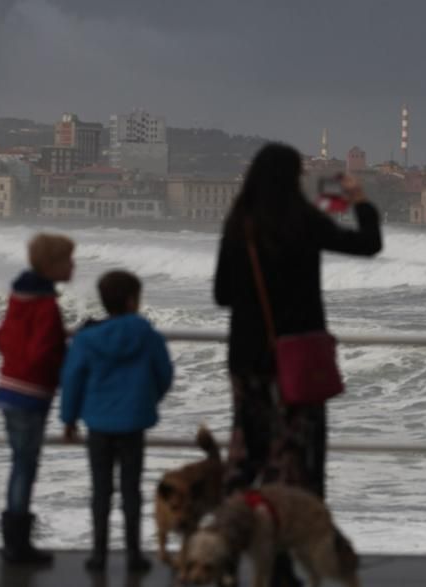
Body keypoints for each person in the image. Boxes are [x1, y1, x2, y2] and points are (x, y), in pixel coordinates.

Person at [213, 143, 381, 582]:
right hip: (296, 361)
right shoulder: (303, 221)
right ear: (293, 179)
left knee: (254, 456)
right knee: (300, 460)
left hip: (248, 363)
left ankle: (267, 560)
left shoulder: (240, 224)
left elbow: (221, 295)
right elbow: (368, 244)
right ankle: (300, 551)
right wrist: (358, 199)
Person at [59, 270, 173, 574]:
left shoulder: (86, 339)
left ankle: (99, 556)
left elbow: (72, 379)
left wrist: (69, 418)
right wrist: (146, 400)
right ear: (132, 300)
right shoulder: (146, 334)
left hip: (98, 424)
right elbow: (165, 374)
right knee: (131, 490)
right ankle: (134, 555)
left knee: (101, 490)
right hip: (133, 423)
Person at [0, 232, 75, 565]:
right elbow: (43, 351)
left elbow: (3, 337)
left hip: (8, 389)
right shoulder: (44, 304)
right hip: (30, 395)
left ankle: (15, 541)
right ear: (52, 265)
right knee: (25, 467)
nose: (73, 265)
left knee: (19, 466)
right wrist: (66, 354)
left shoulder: (20, 296)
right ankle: (17, 546)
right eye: (68, 260)